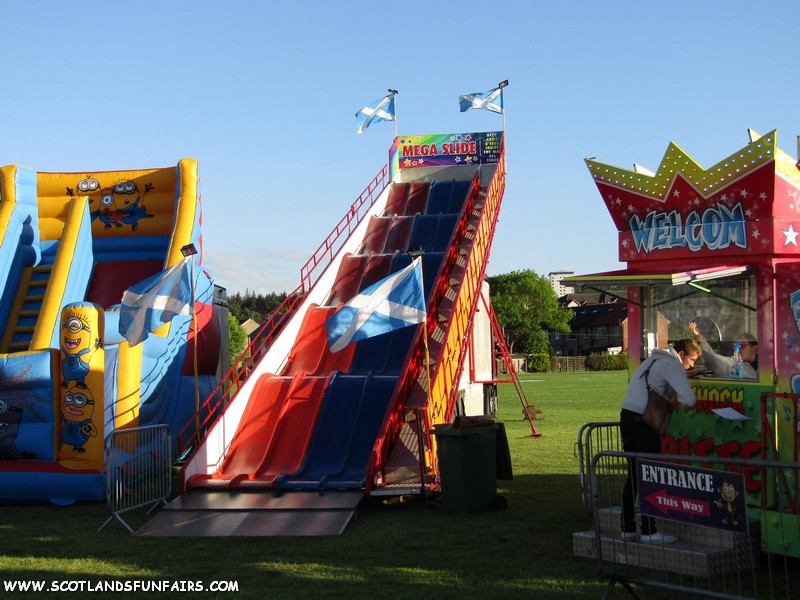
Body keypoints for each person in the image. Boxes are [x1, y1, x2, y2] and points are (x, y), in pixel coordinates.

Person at [620, 339, 701, 544]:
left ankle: (627, 527)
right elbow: (689, 400)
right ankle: (649, 531)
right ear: (681, 354)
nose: (692, 365)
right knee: (650, 475)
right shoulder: (672, 364)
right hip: (645, 424)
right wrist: (682, 379)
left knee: (634, 477)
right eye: (692, 360)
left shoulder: (653, 359)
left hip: (628, 417)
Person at [687, 321, 758, 379]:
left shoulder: (766, 365)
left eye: (742, 346)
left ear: (755, 348)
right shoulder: (734, 363)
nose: (738, 349)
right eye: (735, 346)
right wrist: (700, 337)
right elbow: (714, 360)